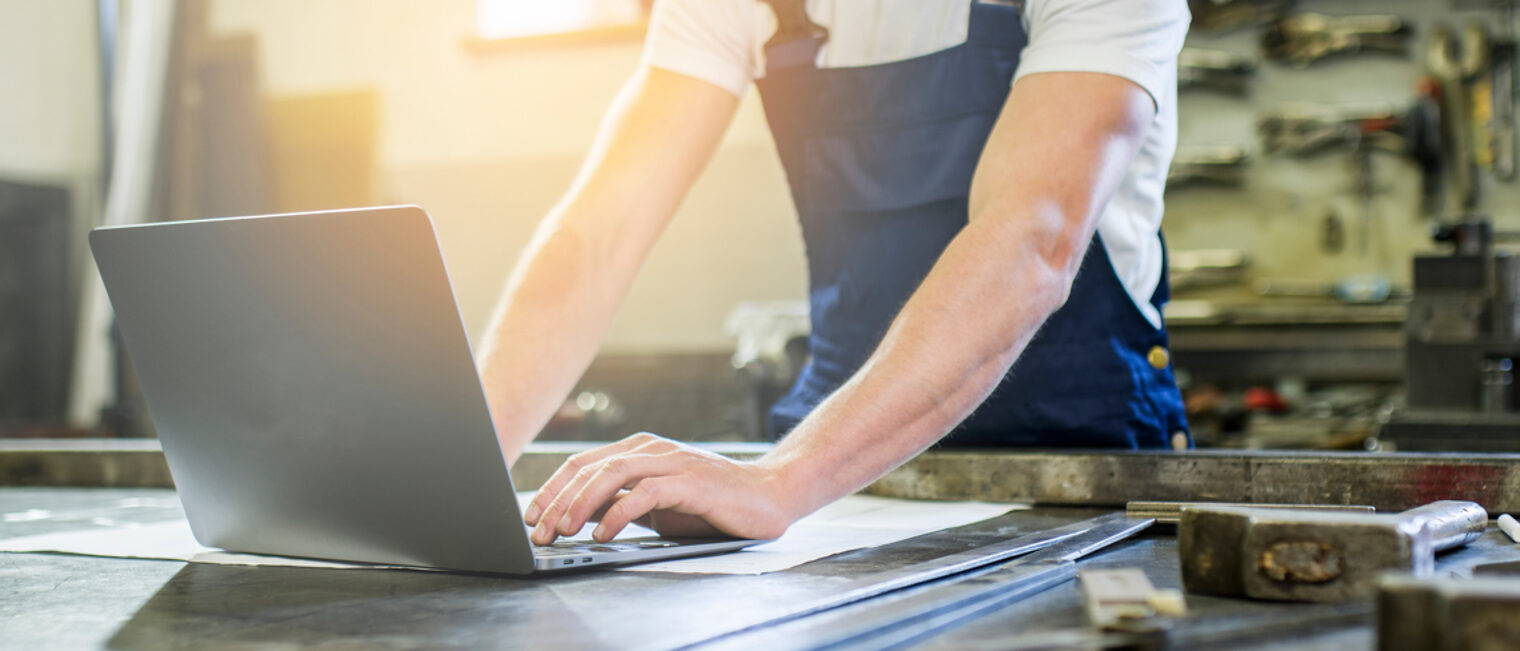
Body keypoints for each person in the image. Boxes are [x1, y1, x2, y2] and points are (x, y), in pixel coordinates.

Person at [475, 0, 1192, 546]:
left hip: (1074, 465)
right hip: (833, 487)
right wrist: (456, 475)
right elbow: (597, 236)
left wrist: (780, 481)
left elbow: (1031, 240)